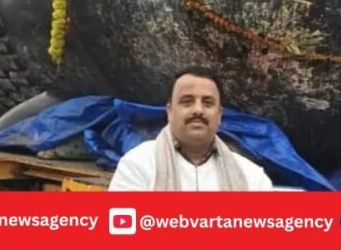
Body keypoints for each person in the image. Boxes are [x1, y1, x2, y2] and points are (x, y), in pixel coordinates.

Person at [108, 66, 273, 191]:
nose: (198, 110)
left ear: (220, 115)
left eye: (207, 103)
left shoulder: (251, 177)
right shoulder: (137, 165)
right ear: (170, 111)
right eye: (187, 101)